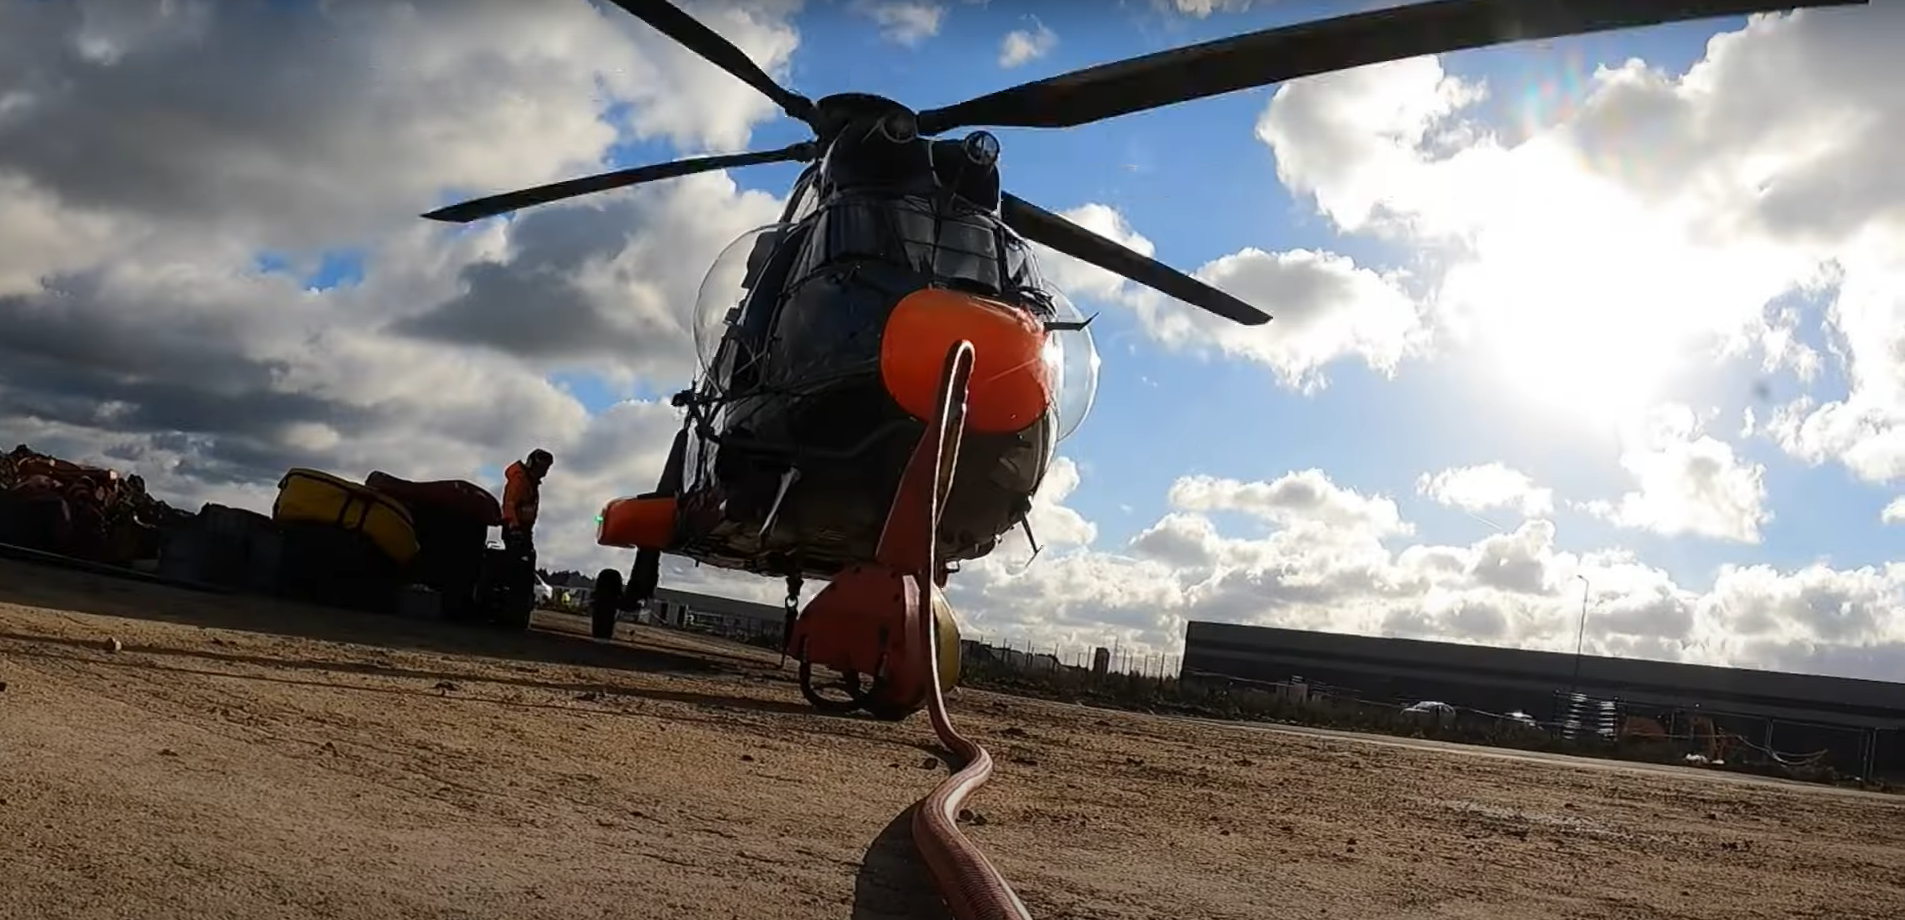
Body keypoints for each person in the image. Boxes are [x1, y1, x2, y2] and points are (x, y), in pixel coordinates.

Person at [501, 448, 553, 560]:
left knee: (527, 558)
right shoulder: (520, 480)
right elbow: (509, 504)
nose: (544, 472)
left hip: (523, 530)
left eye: (546, 468)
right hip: (515, 530)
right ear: (532, 465)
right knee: (519, 561)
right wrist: (514, 528)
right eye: (542, 468)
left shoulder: (531, 483)